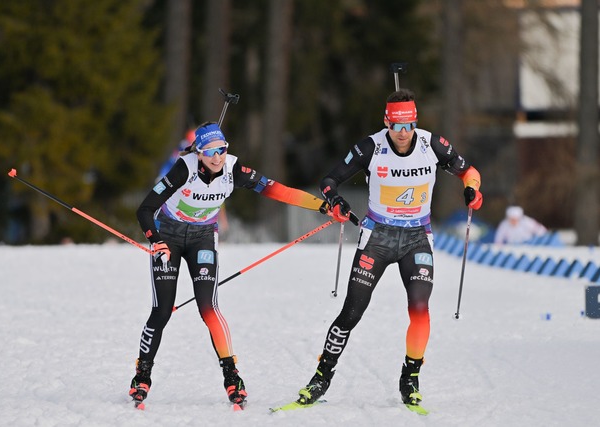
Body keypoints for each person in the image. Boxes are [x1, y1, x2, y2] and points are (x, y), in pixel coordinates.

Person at [293, 89, 483, 411]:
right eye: (397, 126)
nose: (403, 134)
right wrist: (335, 201)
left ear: (415, 122)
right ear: (386, 123)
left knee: (420, 308)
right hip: (377, 237)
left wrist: (472, 189)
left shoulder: (431, 144)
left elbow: (469, 171)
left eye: (408, 125)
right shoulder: (371, 147)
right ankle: (321, 378)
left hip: (416, 238)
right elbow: (329, 180)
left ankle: (410, 378)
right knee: (352, 312)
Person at [129, 121, 325, 409]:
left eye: (221, 149)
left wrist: (320, 205)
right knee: (161, 311)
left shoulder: (234, 170)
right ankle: (141, 375)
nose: (217, 157)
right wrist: (155, 239)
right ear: (198, 153)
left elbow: (277, 190)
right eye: (210, 152)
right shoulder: (183, 168)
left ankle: (232, 376)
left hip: (203, 238)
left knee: (209, 308)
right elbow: (144, 209)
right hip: (168, 235)